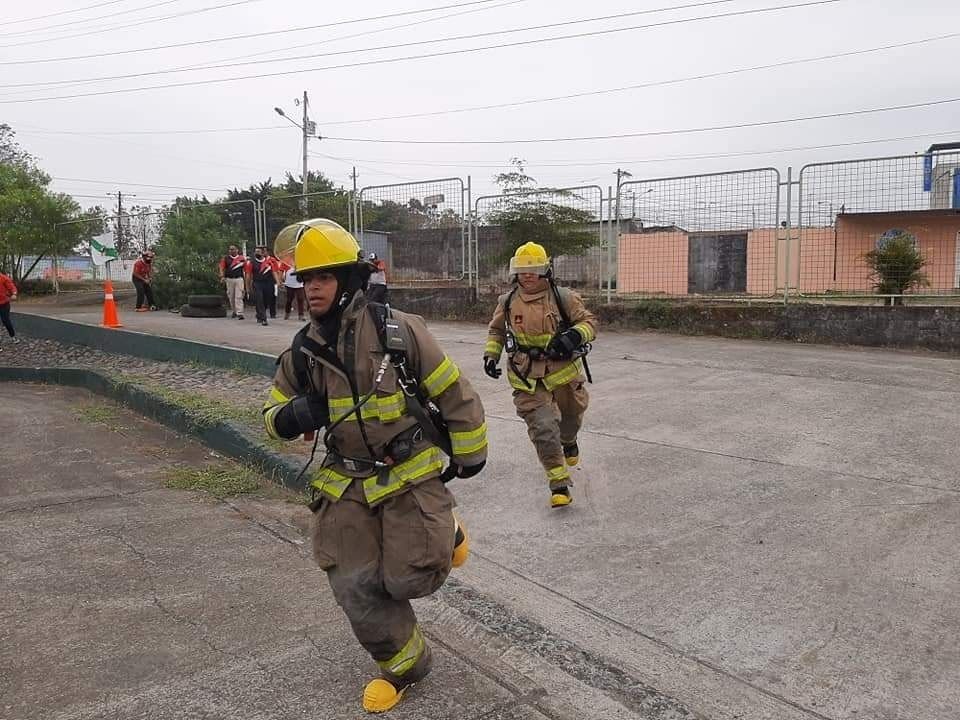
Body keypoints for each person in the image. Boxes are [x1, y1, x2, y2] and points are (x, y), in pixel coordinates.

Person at [261, 218, 486, 713]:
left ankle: (445, 529)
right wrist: (294, 414)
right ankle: (405, 666)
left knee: (410, 579)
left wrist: (470, 454)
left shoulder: (398, 331)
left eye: (323, 277)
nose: (312, 288)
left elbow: (452, 391)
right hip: (345, 482)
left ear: (348, 280)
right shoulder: (302, 351)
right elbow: (270, 414)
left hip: (408, 473)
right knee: (354, 586)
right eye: (306, 278)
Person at [483, 241, 597, 508]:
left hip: (564, 374)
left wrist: (573, 336)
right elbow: (496, 331)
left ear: (544, 270)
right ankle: (559, 485)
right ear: (515, 272)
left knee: (571, 418)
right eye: (522, 270)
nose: (528, 275)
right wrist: (491, 355)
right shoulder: (508, 301)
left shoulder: (563, 297)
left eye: (533, 269)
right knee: (543, 428)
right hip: (525, 376)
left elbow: (590, 323)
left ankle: (569, 440)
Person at [244, 245, 280, 326]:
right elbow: (248, 275)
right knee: (259, 300)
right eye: (256, 252)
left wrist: (278, 282)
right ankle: (264, 319)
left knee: (266, 301)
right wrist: (247, 287)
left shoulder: (270, 262)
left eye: (259, 252)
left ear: (263, 253)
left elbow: (274, 272)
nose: (257, 253)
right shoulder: (251, 262)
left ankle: (259, 314)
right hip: (257, 283)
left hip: (269, 283)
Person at [219, 245, 247, 320]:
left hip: (239, 279)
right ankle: (234, 310)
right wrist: (222, 277)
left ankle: (240, 313)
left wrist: (247, 279)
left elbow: (246, 269)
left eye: (233, 249)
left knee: (239, 296)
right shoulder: (226, 259)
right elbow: (222, 268)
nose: (232, 251)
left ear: (237, 250)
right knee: (231, 296)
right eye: (230, 249)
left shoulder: (241, 259)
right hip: (229, 279)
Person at [0, 271, 18, 351]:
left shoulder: (3, 278)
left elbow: (11, 287)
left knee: (5, 321)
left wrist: (14, 293)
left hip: (4, 303)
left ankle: (13, 336)